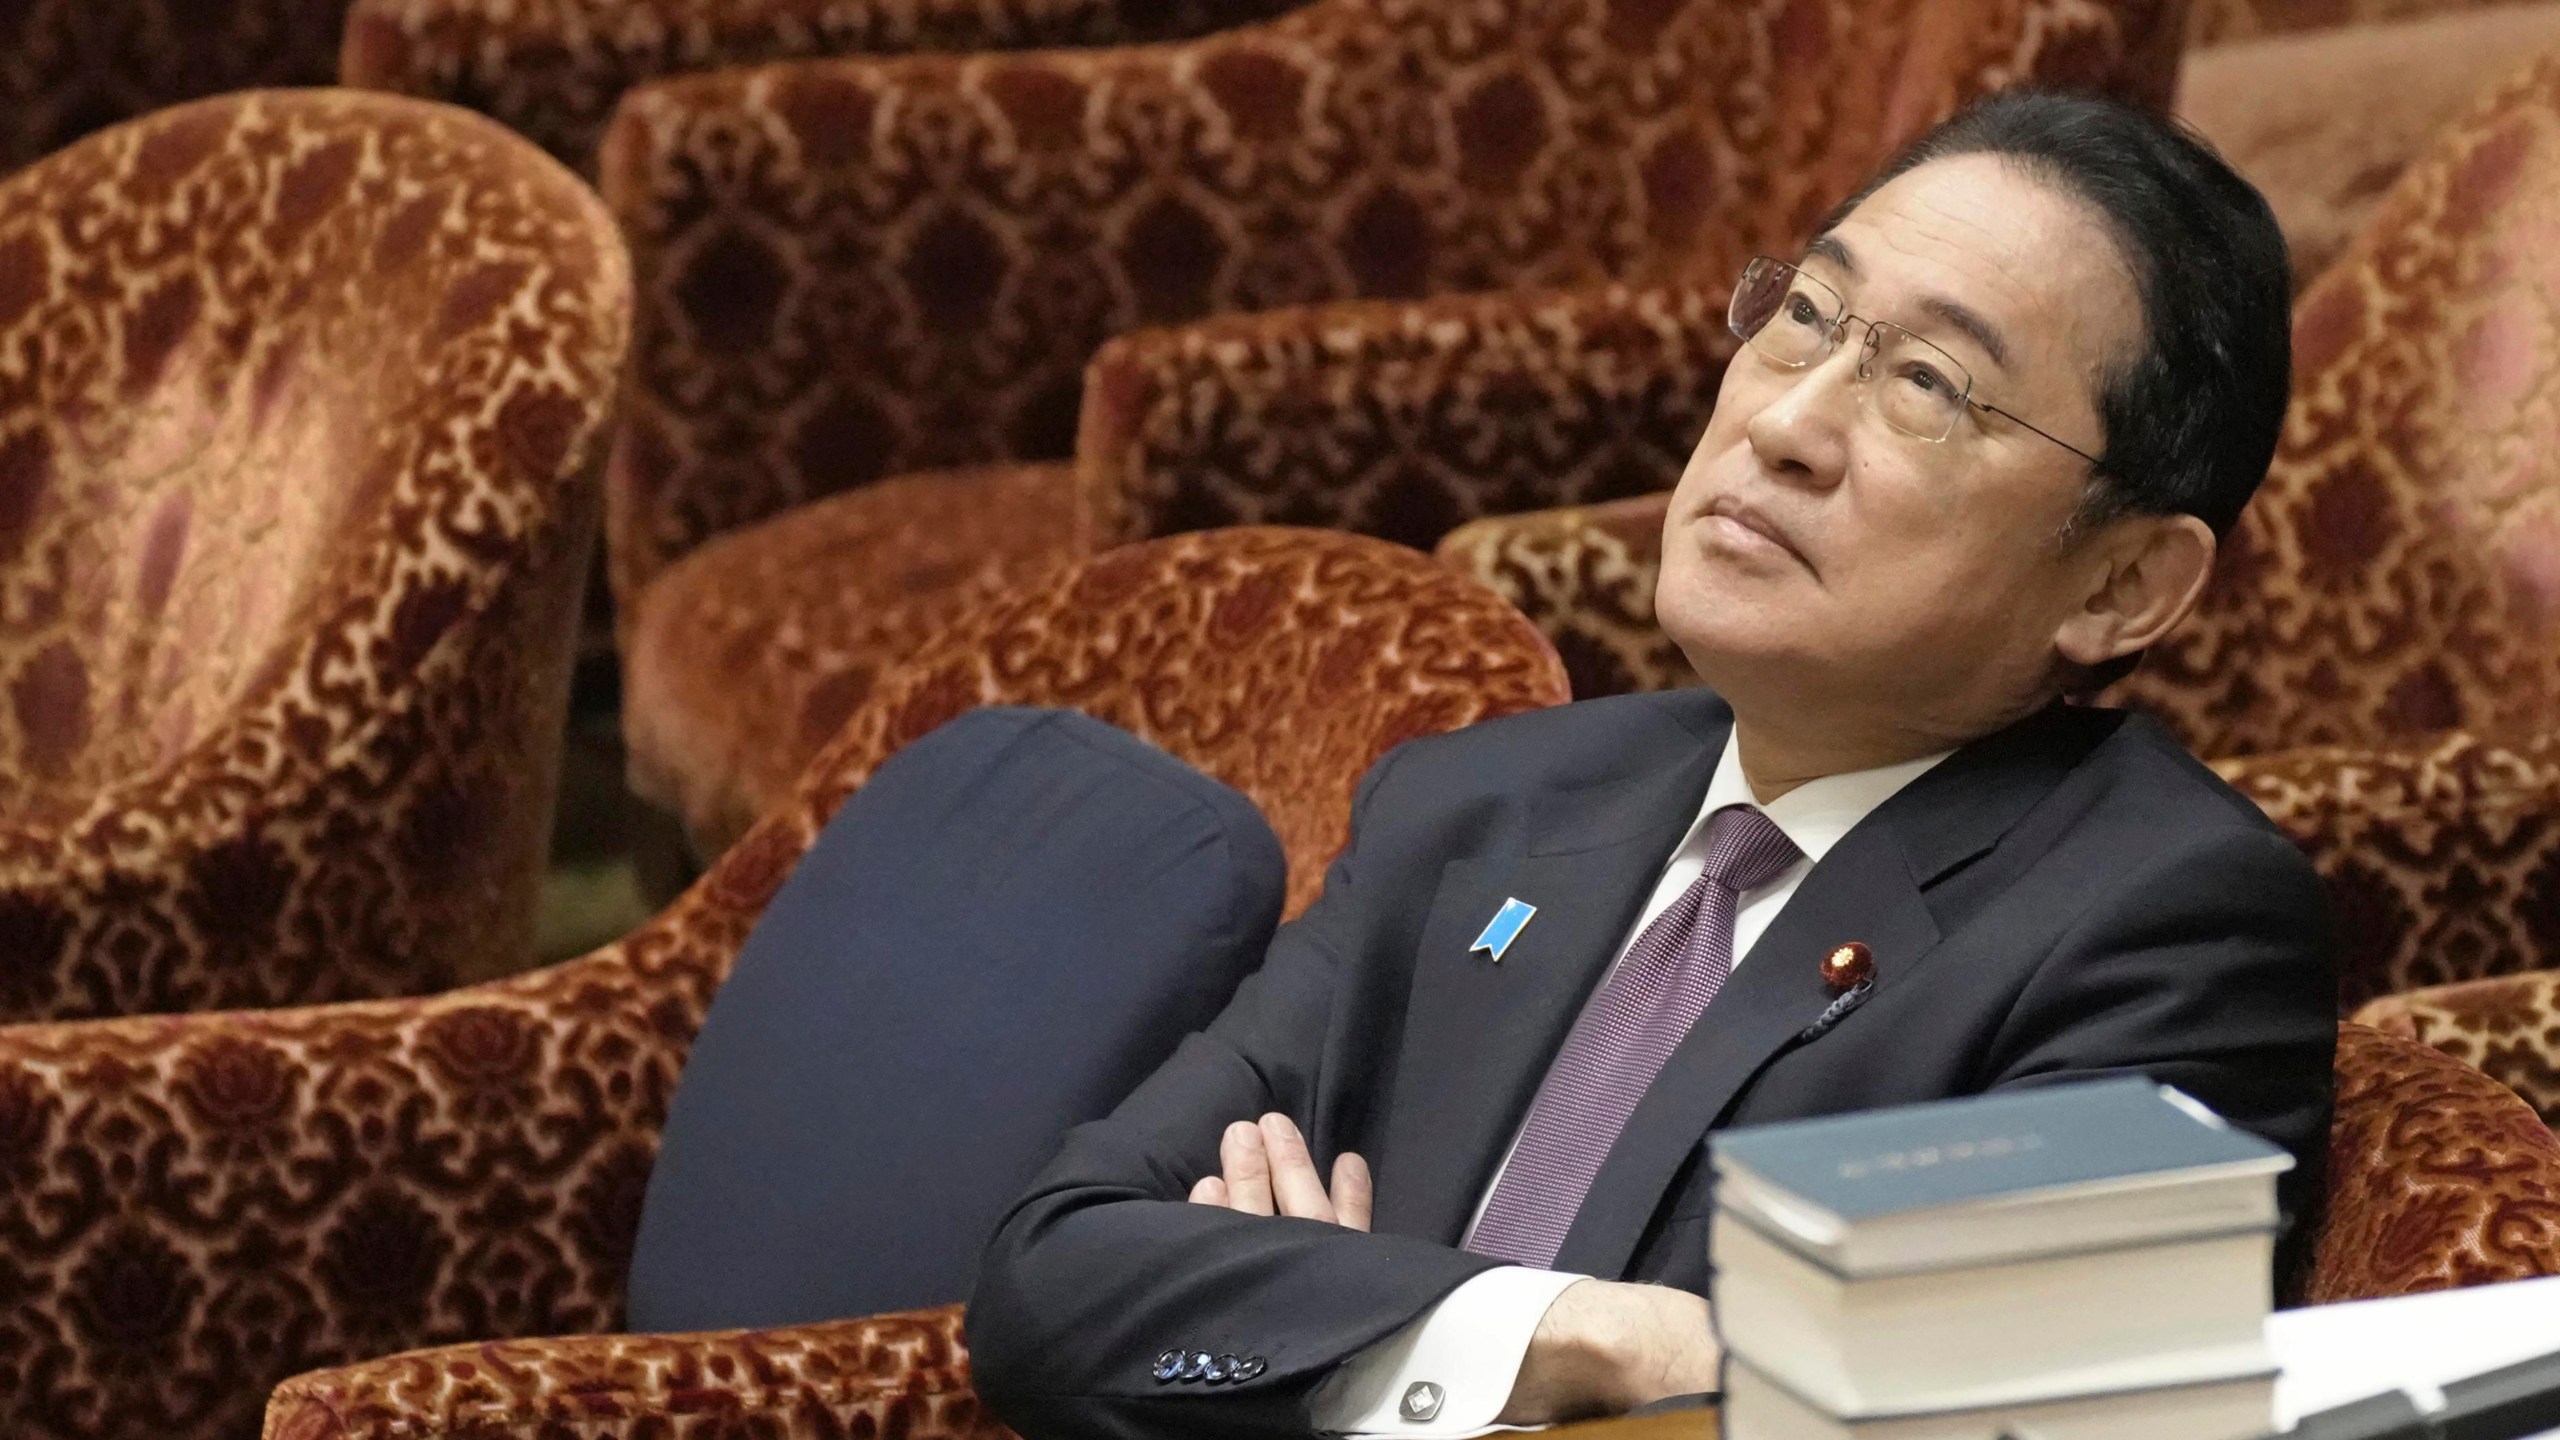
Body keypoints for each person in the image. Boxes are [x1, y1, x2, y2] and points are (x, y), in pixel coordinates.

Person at [966, 90, 2330, 1440]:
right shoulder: (1483, 807)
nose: (1786, 422)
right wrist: (1596, 1340)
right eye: (1803, 317)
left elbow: (1919, 1413)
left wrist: (1329, 1326)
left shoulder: (2163, 926)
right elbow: (1055, 1277)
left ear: (2122, 583)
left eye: (1928, 385)